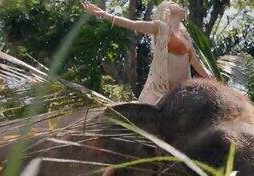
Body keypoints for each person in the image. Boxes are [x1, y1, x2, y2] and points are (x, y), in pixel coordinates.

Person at [81, 1, 213, 104]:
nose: (177, 4)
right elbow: (133, 24)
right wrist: (105, 15)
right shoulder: (160, 27)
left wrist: (214, 82)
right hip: (159, 93)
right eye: (173, 3)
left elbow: (196, 63)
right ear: (166, 10)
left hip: (182, 94)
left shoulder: (185, 36)